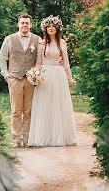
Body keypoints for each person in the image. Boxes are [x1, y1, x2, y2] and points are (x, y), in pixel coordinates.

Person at [28, 15, 76, 147]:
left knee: (58, 105)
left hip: (58, 75)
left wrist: (70, 79)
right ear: (45, 28)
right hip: (45, 75)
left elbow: (66, 63)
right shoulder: (41, 43)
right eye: (48, 26)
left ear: (57, 28)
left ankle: (59, 137)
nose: (50, 28)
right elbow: (38, 62)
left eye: (53, 26)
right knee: (45, 105)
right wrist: (35, 75)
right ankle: (44, 137)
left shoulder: (62, 43)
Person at [0, 13, 42, 147]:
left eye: (27, 23)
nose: (24, 25)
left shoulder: (37, 39)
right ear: (18, 24)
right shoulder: (9, 39)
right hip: (15, 79)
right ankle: (16, 139)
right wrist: (6, 74)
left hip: (30, 79)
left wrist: (37, 74)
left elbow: (40, 59)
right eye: (22, 23)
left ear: (31, 24)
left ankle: (27, 138)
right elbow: (2, 57)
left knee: (28, 111)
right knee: (16, 111)